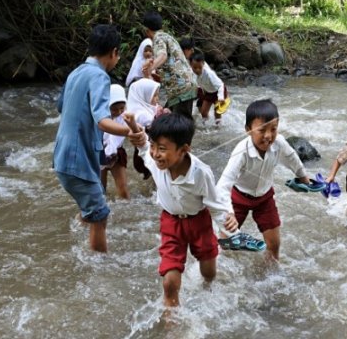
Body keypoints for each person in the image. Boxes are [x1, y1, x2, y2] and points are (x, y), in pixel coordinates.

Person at [125, 113, 239, 308]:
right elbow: (144, 148)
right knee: (169, 282)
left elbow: (214, 204)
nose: (155, 153)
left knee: (209, 271)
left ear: (184, 150)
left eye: (162, 149)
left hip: (199, 222)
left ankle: (208, 289)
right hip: (171, 223)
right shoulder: (156, 162)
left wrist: (231, 226)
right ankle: (172, 318)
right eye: (154, 146)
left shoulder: (201, 173)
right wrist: (135, 129)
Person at [53, 24, 145, 253]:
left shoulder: (77, 72)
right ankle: (98, 269)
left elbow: (61, 107)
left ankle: (73, 241)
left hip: (63, 157)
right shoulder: (100, 77)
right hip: (78, 160)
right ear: (114, 52)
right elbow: (102, 121)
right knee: (100, 215)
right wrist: (131, 130)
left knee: (92, 209)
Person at [216, 99, 311, 261]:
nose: (268, 136)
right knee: (225, 245)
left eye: (273, 129)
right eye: (262, 130)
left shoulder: (279, 142)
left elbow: (291, 158)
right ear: (248, 130)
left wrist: (303, 177)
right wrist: (229, 213)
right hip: (238, 198)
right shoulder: (241, 152)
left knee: (274, 244)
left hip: (264, 198)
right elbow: (223, 186)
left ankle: (271, 273)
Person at [143, 11, 197, 119]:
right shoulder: (167, 36)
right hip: (184, 86)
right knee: (166, 117)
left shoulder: (158, 38)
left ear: (146, 30)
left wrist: (150, 69)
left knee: (180, 124)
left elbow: (162, 56)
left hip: (180, 88)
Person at [127, 78, 163, 179]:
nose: (157, 98)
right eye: (154, 95)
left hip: (146, 150)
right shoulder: (142, 115)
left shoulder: (142, 107)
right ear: (144, 96)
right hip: (146, 151)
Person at [100, 84, 130, 199]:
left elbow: (133, 130)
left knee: (123, 189)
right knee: (100, 189)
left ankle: (126, 209)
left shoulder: (126, 116)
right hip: (99, 152)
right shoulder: (100, 117)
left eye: (122, 108)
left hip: (117, 153)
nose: (118, 111)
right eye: (114, 109)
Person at [190, 52, 229, 126]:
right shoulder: (191, 72)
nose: (197, 70)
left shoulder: (209, 73)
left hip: (218, 91)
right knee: (203, 112)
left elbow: (220, 85)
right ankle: (205, 126)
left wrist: (221, 97)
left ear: (203, 64)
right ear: (191, 65)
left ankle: (218, 127)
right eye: (195, 68)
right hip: (208, 91)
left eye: (200, 68)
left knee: (217, 112)